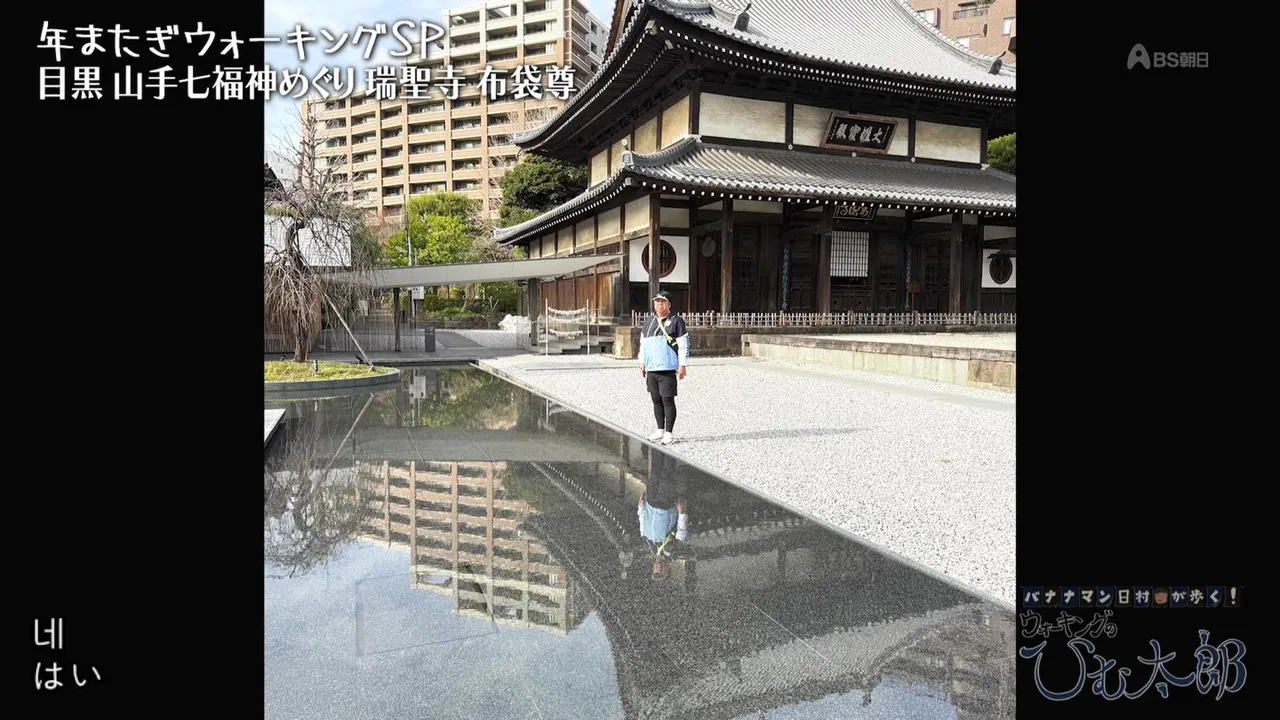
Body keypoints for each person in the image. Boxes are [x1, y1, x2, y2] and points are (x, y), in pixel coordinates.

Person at [639, 290, 690, 445]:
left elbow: (683, 344)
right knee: (656, 399)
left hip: (667, 368)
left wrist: (683, 364)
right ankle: (660, 429)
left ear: (669, 304)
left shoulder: (676, 321)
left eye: (663, 301)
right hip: (652, 368)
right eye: (657, 301)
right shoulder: (649, 321)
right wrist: (642, 361)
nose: (659, 304)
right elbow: (643, 344)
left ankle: (669, 433)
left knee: (667, 399)